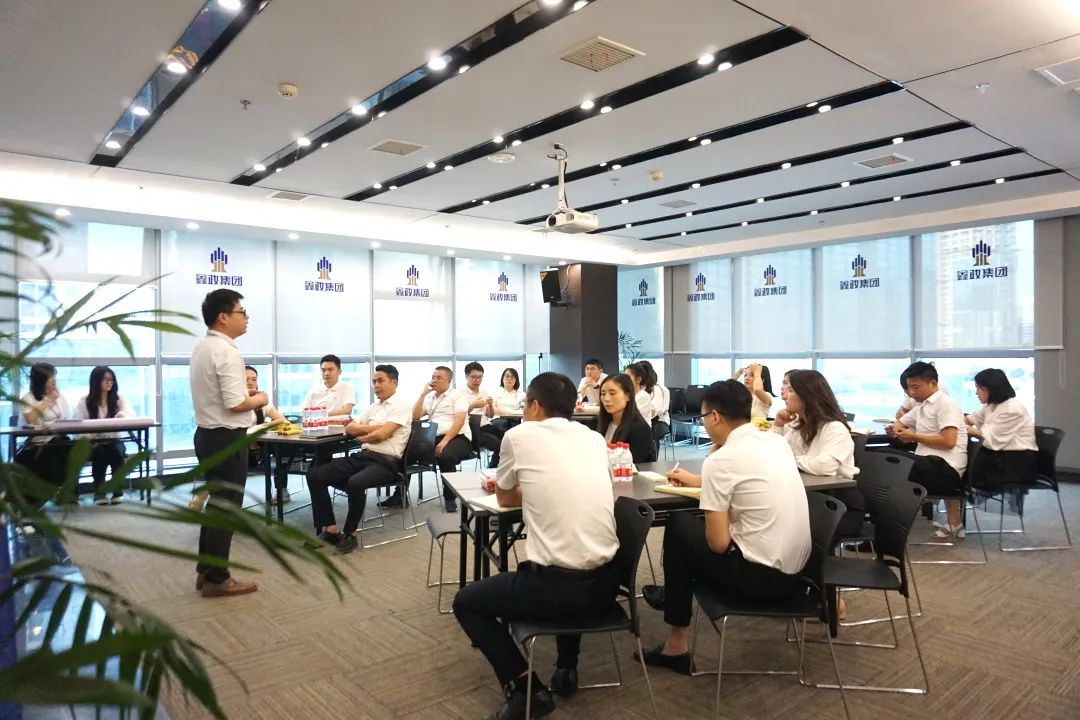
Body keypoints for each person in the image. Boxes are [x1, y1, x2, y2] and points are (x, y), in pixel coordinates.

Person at [453, 372, 620, 720]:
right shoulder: (593, 438)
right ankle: (566, 668)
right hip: (609, 585)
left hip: (557, 590)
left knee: (467, 602)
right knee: (570, 550)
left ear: (535, 406)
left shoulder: (519, 436)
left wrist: (529, 489)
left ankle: (525, 689)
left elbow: (504, 497)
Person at [638, 380, 811, 674]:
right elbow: (746, 478)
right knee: (689, 530)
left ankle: (676, 642)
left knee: (680, 526)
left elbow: (718, 544)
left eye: (704, 417)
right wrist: (702, 481)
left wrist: (713, 468)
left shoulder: (721, 460)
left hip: (761, 582)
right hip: (800, 575)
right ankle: (673, 595)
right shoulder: (775, 442)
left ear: (715, 417)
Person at [189, 289, 268, 598]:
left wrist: (249, 397)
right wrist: (261, 399)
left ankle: (206, 570)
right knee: (226, 510)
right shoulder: (227, 351)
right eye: (241, 312)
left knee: (216, 506)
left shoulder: (202, 348)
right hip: (226, 438)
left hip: (207, 436)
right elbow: (236, 404)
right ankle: (217, 578)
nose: (246, 317)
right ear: (223, 317)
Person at [305, 365, 412, 555]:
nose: (376, 385)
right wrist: (376, 428)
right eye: (374, 381)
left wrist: (365, 435)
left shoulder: (401, 406)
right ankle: (330, 529)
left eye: (380, 381)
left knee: (355, 483)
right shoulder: (374, 406)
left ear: (394, 382)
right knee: (314, 475)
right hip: (364, 456)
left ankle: (350, 533)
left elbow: (382, 435)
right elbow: (351, 427)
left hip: (387, 462)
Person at [886, 362, 968, 538]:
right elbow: (901, 422)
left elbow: (949, 442)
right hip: (930, 464)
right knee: (884, 459)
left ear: (933, 383)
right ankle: (885, 530)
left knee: (886, 463)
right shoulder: (923, 406)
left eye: (916, 387)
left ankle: (886, 533)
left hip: (946, 470)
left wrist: (914, 436)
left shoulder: (946, 404)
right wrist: (895, 430)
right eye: (909, 388)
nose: (912, 392)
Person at [189, 365, 285, 512]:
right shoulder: (231, 402)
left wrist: (263, 427)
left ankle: (202, 495)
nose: (251, 382)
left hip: (254, 449)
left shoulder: (261, 402)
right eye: (246, 379)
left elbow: (282, 421)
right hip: (231, 445)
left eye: (254, 379)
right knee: (222, 458)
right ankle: (206, 496)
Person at [410, 366, 472, 513]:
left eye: (439, 377)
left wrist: (445, 441)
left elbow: (459, 422)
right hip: (434, 438)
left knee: (445, 456)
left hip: (458, 437)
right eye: (433, 377)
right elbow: (415, 416)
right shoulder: (430, 397)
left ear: (449, 380)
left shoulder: (457, 396)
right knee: (406, 453)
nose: (434, 380)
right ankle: (399, 495)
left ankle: (450, 498)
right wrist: (422, 395)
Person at [964, 368, 1037, 491]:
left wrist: (965, 428)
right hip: (1000, 456)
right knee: (963, 462)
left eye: (979, 388)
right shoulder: (991, 405)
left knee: (964, 466)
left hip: (1015, 461)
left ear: (991, 389)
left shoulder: (1012, 409)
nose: (976, 393)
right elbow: (970, 419)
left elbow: (989, 439)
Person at [73, 365, 133, 505]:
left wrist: (122, 415)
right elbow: (77, 423)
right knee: (100, 453)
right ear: (96, 381)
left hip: (114, 440)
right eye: (105, 379)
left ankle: (118, 492)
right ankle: (100, 493)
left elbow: (130, 414)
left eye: (111, 379)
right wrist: (88, 440)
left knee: (116, 452)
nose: (109, 382)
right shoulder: (85, 401)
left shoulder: (119, 398)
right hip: (93, 442)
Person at [16, 362, 72, 508]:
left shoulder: (60, 397)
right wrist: (49, 400)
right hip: (37, 444)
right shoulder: (28, 398)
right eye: (51, 378)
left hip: (58, 440)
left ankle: (49, 493)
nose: (54, 381)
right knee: (58, 454)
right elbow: (30, 418)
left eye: (54, 377)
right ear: (41, 380)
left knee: (72, 449)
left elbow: (67, 419)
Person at [597, 374, 655, 463]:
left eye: (612, 393)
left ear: (628, 396)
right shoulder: (603, 422)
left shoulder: (640, 428)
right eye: (603, 394)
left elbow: (635, 464)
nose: (606, 399)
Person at [459, 361, 503, 468]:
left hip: (486, 425)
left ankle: (496, 467)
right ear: (466, 376)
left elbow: (490, 415)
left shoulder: (484, 391)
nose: (477, 380)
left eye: (480, 377)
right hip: (472, 429)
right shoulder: (460, 394)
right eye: (473, 377)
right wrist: (471, 406)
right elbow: (458, 417)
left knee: (510, 438)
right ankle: (492, 468)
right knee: (499, 445)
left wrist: (490, 405)